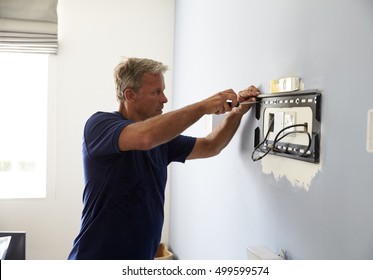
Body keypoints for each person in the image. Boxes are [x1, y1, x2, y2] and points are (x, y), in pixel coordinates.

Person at [68, 57, 259, 260]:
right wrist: (204, 106)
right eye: (156, 92)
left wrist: (238, 112)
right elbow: (145, 137)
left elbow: (211, 145)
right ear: (130, 95)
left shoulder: (162, 140)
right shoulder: (99, 125)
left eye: (163, 91)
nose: (164, 99)